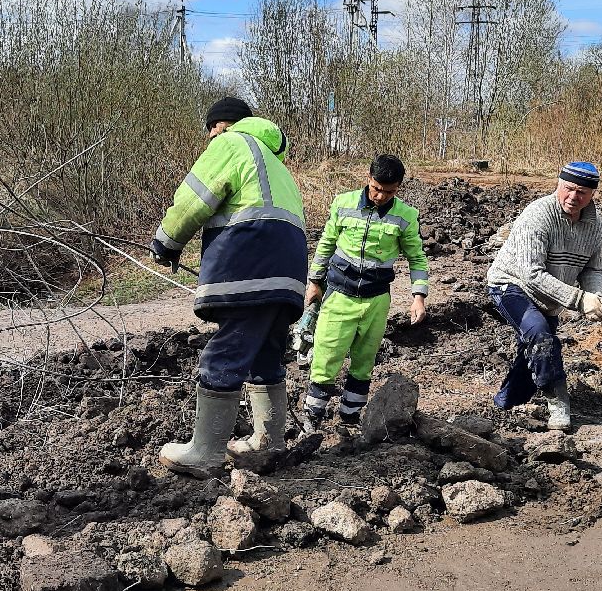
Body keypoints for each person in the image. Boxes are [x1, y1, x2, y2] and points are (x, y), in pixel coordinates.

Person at [150, 96, 308, 477]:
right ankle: (268, 441)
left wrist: (166, 242)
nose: (209, 138)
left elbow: (194, 201)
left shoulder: (230, 143)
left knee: (226, 350)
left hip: (250, 259)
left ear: (219, 125)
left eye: (210, 130)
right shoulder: (275, 164)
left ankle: (206, 451)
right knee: (265, 353)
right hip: (287, 270)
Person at [303, 154, 429, 430]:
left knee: (364, 361)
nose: (381, 196)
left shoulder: (406, 216)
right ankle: (312, 419)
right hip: (339, 293)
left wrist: (418, 296)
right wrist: (314, 282)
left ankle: (349, 419)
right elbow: (326, 245)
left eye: (389, 191)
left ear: (398, 188)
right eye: (376, 188)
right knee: (326, 355)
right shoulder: (343, 204)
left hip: (376, 299)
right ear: (368, 179)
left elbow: (417, 258)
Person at [486, 161, 602, 431]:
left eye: (582, 193)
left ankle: (505, 404)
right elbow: (531, 274)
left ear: (592, 195)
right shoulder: (538, 215)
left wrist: (594, 295)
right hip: (512, 285)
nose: (573, 197)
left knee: (535, 354)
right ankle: (559, 404)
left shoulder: (594, 224)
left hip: (549, 297)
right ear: (558, 184)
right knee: (541, 336)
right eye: (568, 189)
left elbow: (593, 268)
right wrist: (578, 300)